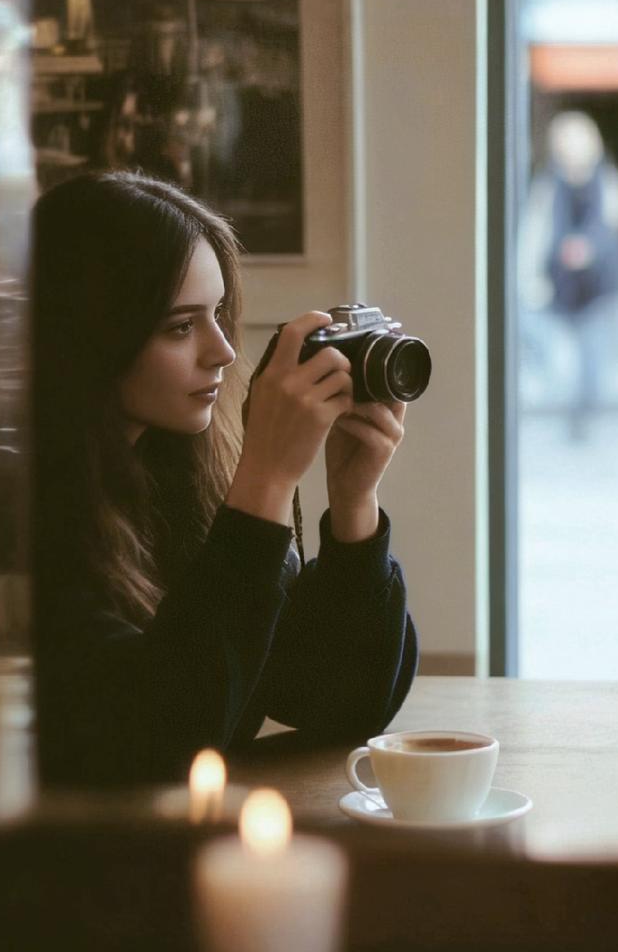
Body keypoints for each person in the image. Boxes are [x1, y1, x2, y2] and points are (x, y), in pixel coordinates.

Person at [30, 169, 418, 789]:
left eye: (218, 315)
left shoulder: (174, 478)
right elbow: (155, 741)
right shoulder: (26, 519)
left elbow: (338, 703)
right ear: (89, 338)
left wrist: (353, 505)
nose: (224, 351)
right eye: (180, 326)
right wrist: (265, 480)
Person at [520, 109, 618, 436]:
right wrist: (533, 276)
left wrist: (588, 248)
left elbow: (612, 225)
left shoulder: (606, 180)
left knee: (594, 355)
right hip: (562, 286)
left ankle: (586, 416)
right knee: (562, 354)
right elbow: (536, 234)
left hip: (598, 286)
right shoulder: (549, 185)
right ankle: (575, 412)